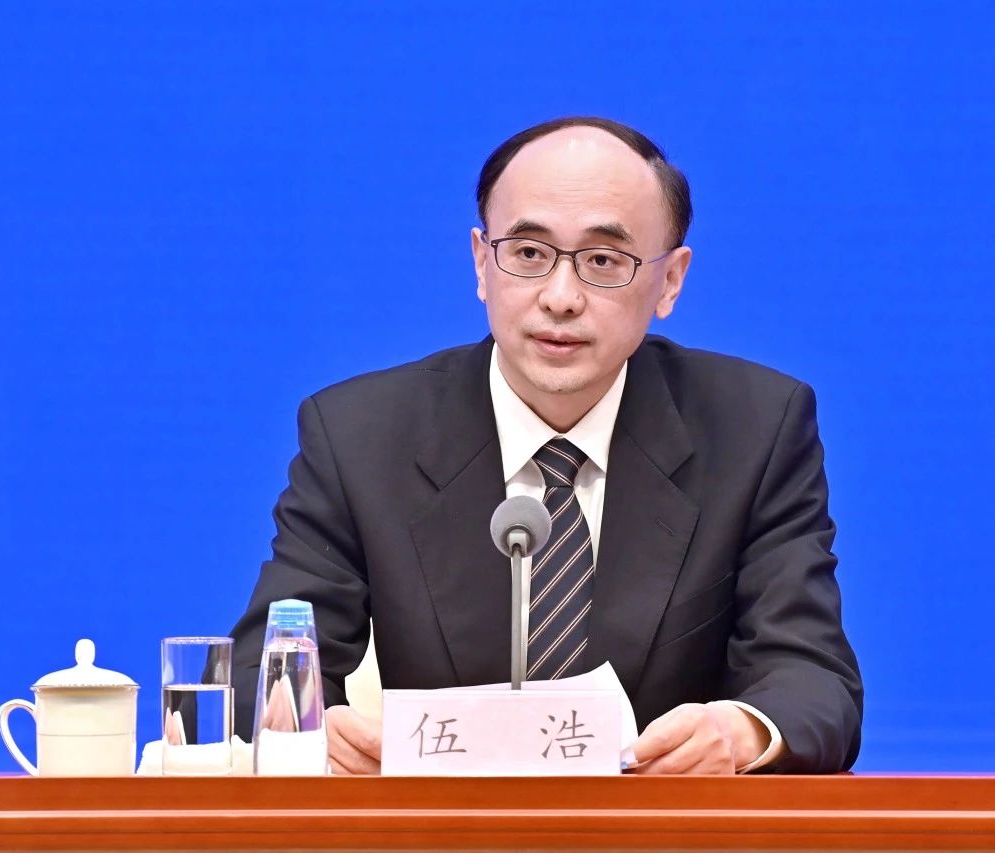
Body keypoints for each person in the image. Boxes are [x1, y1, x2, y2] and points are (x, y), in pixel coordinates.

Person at [229, 116, 863, 775]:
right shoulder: (360, 434)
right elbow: (261, 671)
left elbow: (813, 680)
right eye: (529, 254)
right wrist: (307, 729)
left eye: (604, 261)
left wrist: (741, 731)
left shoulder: (753, 430)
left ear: (671, 281)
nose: (560, 298)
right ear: (482, 262)